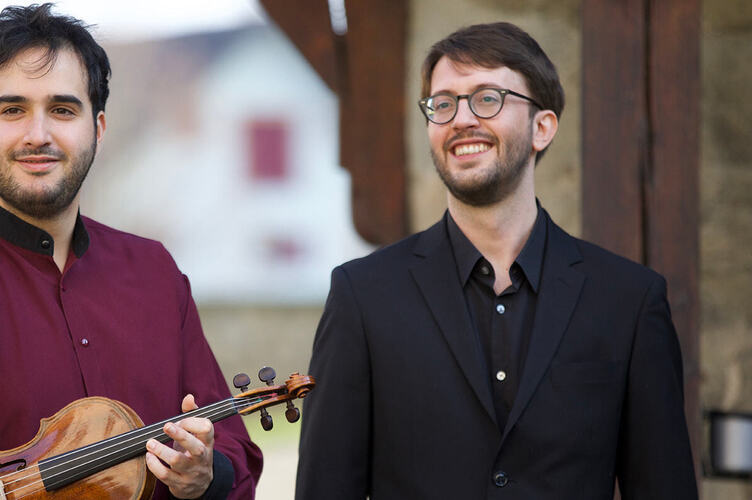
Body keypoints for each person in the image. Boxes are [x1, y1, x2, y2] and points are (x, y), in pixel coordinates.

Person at [0, 4, 262, 499]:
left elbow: (234, 455)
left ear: (97, 129)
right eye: (13, 109)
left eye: (62, 109)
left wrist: (207, 475)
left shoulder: (156, 275)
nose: (38, 135)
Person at [295, 22, 697, 499]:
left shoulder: (629, 300)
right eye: (443, 104)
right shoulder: (362, 296)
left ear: (542, 128)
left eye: (487, 98)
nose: (461, 119)